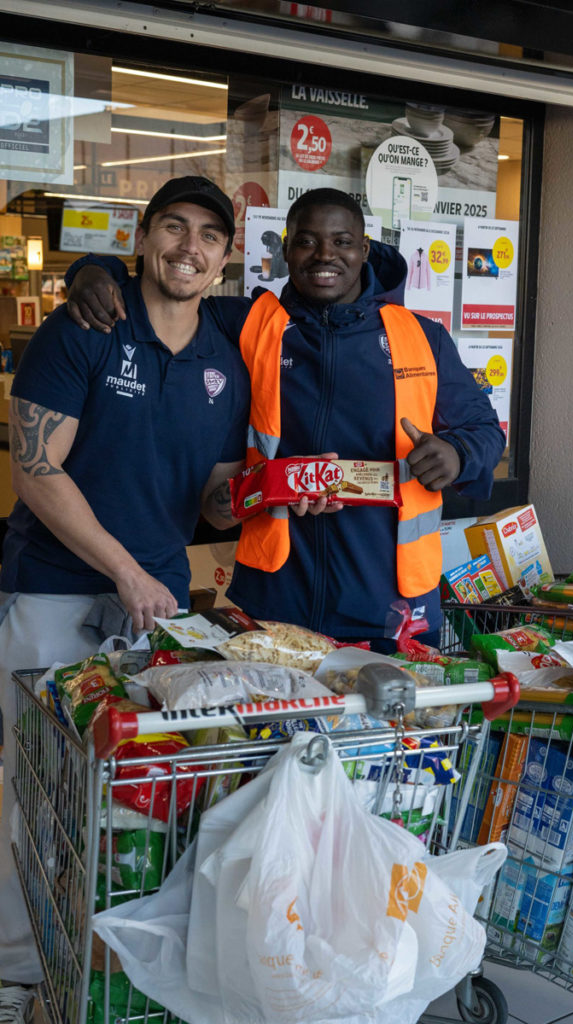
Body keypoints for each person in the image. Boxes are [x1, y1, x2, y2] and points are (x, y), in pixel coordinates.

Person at [0, 175, 250, 994]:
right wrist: (126, 570)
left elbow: (213, 493)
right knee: (37, 784)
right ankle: (16, 974)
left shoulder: (226, 352)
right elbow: (37, 471)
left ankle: (107, 965)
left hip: (156, 607)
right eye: (173, 229)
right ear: (143, 239)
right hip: (55, 591)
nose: (190, 247)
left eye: (209, 236)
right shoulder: (88, 325)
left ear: (226, 256)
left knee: (133, 798)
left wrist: (264, 498)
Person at [66, 187, 506, 648]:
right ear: (287, 248)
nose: (324, 255)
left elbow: (483, 431)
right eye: (307, 241)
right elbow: (168, 292)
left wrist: (457, 453)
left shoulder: (422, 337)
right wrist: (95, 270)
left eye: (341, 241)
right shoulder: (247, 322)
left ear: (365, 249)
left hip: (392, 607)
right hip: (274, 600)